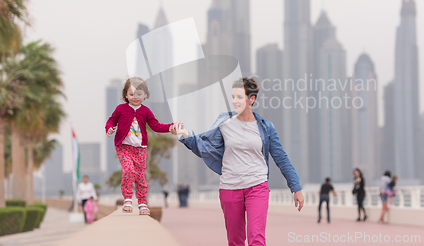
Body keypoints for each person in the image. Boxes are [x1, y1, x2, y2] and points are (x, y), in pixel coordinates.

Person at [172, 77, 304, 246]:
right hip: (230, 187)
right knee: (235, 241)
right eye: (233, 96)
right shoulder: (224, 123)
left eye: (240, 97)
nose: (235, 101)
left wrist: (296, 187)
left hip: (257, 186)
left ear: (252, 99)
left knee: (256, 238)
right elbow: (205, 148)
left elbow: (281, 157)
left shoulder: (265, 127)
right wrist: (185, 135)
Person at [106, 77, 175, 215]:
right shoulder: (121, 109)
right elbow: (111, 120)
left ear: (145, 95)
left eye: (139, 94)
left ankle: (142, 203)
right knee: (129, 170)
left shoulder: (146, 111)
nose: (135, 97)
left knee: (140, 177)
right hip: (124, 147)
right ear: (126, 95)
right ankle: (127, 199)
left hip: (140, 149)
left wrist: (170, 127)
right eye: (131, 94)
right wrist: (109, 128)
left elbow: (156, 126)